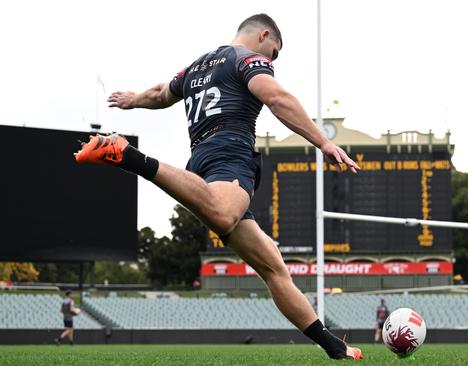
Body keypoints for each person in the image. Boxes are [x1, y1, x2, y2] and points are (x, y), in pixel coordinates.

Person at [75, 14, 362, 360]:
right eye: (274, 53)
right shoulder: (247, 59)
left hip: (204, 162)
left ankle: (333, 347)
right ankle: (127, 155)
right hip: (230, 154)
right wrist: (324, 143)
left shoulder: (196, 67)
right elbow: (278, 99)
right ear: (264, 35)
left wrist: (133, 99)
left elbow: (161, 94)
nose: (271, 62)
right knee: (225, 216)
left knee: (274, 267)